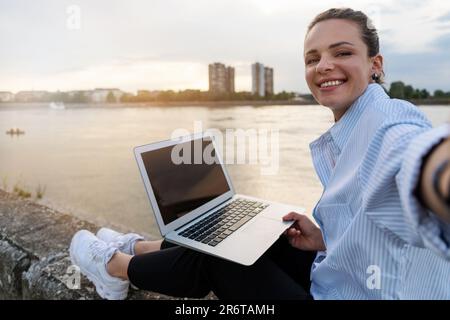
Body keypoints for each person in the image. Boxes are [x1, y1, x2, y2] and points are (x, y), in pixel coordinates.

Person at [69, 8, 450, 300]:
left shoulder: (387, 121)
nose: (324, 66)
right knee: (260, 231)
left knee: (221, 255)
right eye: (312, 58)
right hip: (354, 277)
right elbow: (379, 228)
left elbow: (409, 154)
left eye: (342, 52)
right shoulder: (358, 120)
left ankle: (115, 267)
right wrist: (327, 238)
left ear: (375, 64)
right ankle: (139, 246)